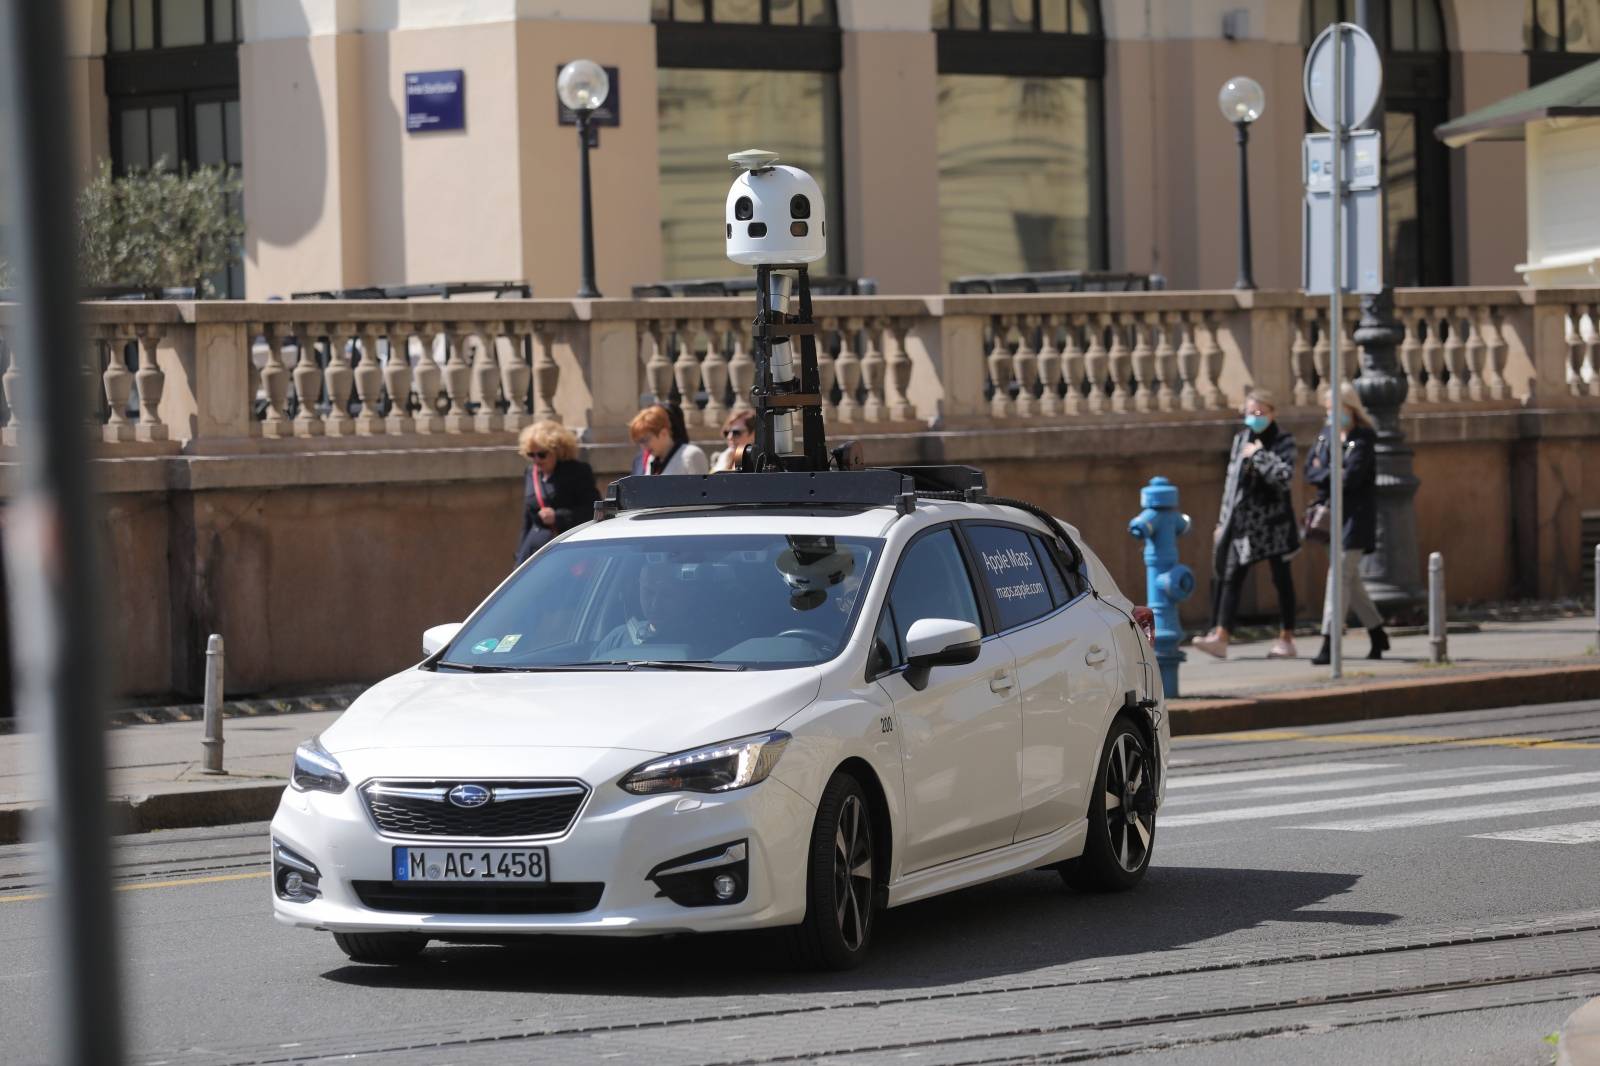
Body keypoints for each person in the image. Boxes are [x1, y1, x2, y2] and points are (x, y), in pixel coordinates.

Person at [1192, 390, 1300, 660]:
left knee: (1281, 578)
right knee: (1230, 576)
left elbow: (1284, 477)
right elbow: (1232, 483)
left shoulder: (1283, 440)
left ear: (1273, 413)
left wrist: (1261, 455)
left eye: (1261, 413)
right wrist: (1222, 521)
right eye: (1251, 413)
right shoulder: (1241, 439)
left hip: (1274, 524)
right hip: (1244, 524)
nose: (1255, 418)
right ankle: (1221, 635)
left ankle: (1287, 636)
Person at [1305, 382, 1388, 665]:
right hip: (1331, 519)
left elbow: (1351, 478)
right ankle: (1377, 632)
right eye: (1327, 409)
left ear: (1350, 408)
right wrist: (1332, 472)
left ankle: (1330, 641)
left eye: (1335, 409)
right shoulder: (1327, 435)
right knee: (1350, 581)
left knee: (1338, 578)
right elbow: (1310, 470)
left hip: (1355, 520)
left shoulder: (1363, 437)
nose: (1330, 414)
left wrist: (1327, 472)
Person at [514, 420, 599, 565]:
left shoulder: (577, 471)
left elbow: (592, 510)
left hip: (565, 550)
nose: (536, 460)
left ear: (558, 451)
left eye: (541, 454)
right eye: (531, 454)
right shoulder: (531, 473)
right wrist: (519, 556)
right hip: (533, 551)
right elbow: (527, 518)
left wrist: (557, 517)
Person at [629, 404, 709, 476]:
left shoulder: (691, 455)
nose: (643, 446)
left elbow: (703, 490)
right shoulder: (652, 458)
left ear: (663, 433)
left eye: (645, 440)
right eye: (639, 441)